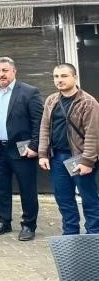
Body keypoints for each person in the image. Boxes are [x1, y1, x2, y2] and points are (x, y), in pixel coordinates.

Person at [0, 56, 42, 241]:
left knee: (27, 188)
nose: (1, 74)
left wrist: (35, 146)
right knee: (0, 187)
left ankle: (29, 225)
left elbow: (38, 122)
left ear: (14, 71)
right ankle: (4, 221)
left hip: (23, 149)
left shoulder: (29, 92)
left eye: (5, 70)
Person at [38, 63, 99, 235]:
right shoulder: (51, 100)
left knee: (89, 198)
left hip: (79, 158)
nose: (59, 80)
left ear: (75, 77)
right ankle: (70, 234)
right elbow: (44, 128)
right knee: (64, 199)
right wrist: (43, 154)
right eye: (56, 76)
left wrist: (88, 161)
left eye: (64, 76)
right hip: (57, 158)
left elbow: (93, 134)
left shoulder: (88, 102)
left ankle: (94, 235)